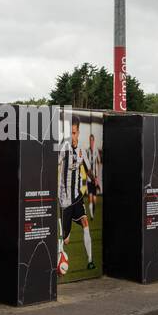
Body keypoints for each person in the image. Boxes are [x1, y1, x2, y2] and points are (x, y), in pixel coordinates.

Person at [58, 114, 95, 270]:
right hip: (65, 199)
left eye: (74, 133)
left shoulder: (81, 151)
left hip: (77, 197)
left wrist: (94, 179)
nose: (72, 136)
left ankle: (90, 260)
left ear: (78, 132)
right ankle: (59, 259)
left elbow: (87, 168)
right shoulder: (63, 148)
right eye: (70, 133)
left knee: (85, 223)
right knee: (65, 239)